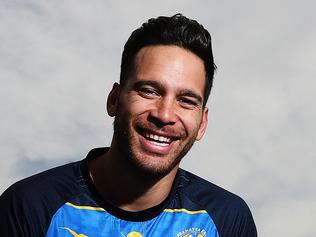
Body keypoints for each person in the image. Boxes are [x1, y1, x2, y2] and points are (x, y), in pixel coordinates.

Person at [0, 14, 257, 237]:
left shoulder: (227, 220)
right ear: (114, 100)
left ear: (202, 123)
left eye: (186, 101)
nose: (165, 114)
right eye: (149, 91)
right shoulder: (29, 206)